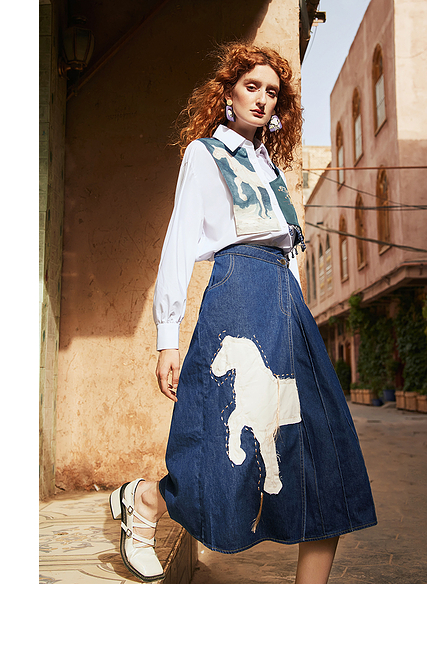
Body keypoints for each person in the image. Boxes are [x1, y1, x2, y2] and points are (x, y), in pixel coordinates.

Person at [109, 42, 377, 584]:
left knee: (324, 451)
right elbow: (179, 243)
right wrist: (167, 337)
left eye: (271, 92)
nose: (261, 99)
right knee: (221, 448)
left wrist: (298, 315)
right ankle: (147, 499)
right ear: (228, 93)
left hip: (286, 302)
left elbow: (288, 252)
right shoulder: (204, 154)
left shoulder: (271, 169)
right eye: (251, 87)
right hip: (236, 295)